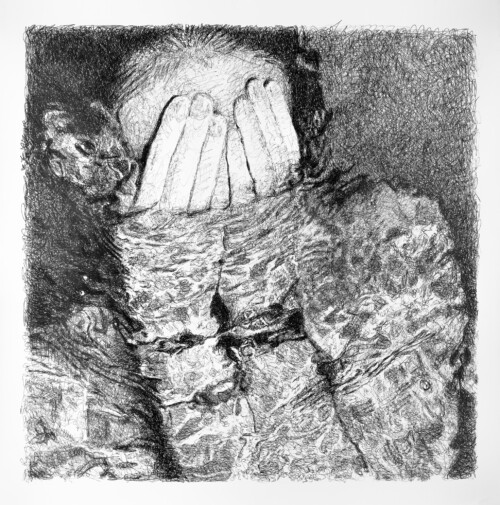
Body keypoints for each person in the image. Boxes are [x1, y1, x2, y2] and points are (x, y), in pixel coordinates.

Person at [26, 28, 468, 480]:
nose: (227, 194)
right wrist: (174, 319)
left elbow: (414, 481)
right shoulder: (43, 371)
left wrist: (260, 307)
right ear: (83, 157)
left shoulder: (391, 248)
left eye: (256, 148)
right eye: (176, 160)